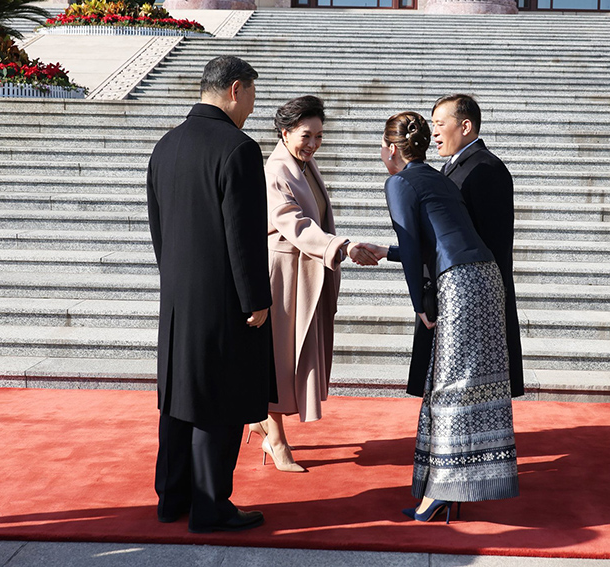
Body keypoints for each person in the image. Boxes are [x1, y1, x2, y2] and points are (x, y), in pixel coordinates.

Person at [368, 112, 519, 522]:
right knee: (457, 382)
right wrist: (385, 251)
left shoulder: (398, 181)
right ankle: (444, 485)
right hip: (485, 278)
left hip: (460, 284)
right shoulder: (436, 176)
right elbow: (439, 238)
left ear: (391, 149)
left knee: (450, 387)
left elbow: (416, 249)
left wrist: (420, 305)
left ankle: (440, 492)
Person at [146, 55, 275, 533]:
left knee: (178, 399)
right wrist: (255, 300)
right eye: (253, 96)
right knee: (218, 402)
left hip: (178, 297)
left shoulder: (166, 144)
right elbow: (242, 236)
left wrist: (177, 281)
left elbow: (159, 229)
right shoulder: (236, 148)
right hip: (224, 301)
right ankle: (210, 507)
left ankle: (171, 498)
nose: (252, 108)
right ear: (236, 89)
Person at [246, 95, 379, 473]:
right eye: (307, 135)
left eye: (319, 136)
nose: (314, 143)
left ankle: (264, 426)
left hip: (306, 272)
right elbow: (294, 223)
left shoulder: (303, 164)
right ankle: (276, 440)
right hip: (284, 276)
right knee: (280, 359)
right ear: (285, 132)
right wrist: (343, 246)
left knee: (291, 357)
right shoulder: (277, 170)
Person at [430, 94, 524, 398]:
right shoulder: (454, 168)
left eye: (440, 124)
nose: (433, 133)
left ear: (465, 126)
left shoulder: (486, 170)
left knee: (477, 381)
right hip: (459, 293)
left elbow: (493, 244)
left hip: (477, 297)